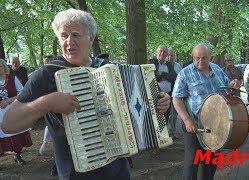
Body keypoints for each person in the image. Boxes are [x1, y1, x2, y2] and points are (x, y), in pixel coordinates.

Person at [1, 8, 170, 180]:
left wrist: (160, 101)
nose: (69, 41)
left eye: (75, 35)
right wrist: (47, 103)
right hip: (74, 173)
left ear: (91, 38)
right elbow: (8, 123)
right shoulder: (46, 74)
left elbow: (138, 106)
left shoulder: (107, 68)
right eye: (63, 36)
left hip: (118, 170)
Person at [172, 43, 240, 180]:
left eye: (204, 58)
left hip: (218, 124)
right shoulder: (184, 73)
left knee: (211, 160)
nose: (200, 61)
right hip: (194, 124)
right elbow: (176, 99)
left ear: (210, 57)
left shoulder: (217, 69)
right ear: (192, 57)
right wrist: (186, 120)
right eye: (197, 58)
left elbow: (227, 88)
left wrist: (232, 85)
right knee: (193, 161)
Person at [0, 58, 32, 165]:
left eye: (0, 66)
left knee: (17, 133)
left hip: (12, 110)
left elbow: (22, 93)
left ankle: (17, 156)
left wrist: (8, 101)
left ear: (4, 67)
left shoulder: (13, 79)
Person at [166, 48, 182, 139]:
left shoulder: (178, 66)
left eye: (172, 55)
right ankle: (166, 131)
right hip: (167, 92)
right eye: (168, 55)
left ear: (174, 56)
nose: (170, 57)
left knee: (175, 113)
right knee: (166, 112)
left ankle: (172, 131)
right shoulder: (164, 66)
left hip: (176, 92)